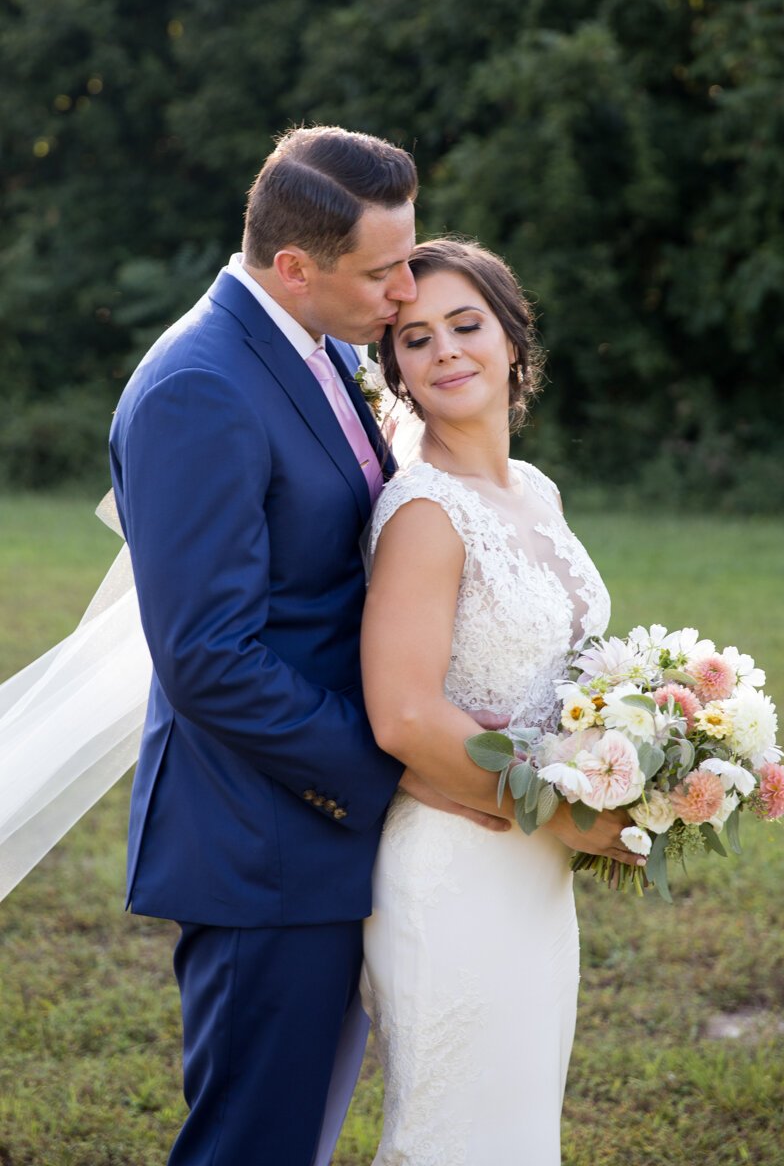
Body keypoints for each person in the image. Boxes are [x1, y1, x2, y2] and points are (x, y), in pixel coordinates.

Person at [107, 125, 440, 1166]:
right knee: (253, 1144)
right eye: (383, 272)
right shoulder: (198, 387)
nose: (407, 292)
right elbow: (207, 656)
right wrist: (386, 766)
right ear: (294, 267)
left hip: (307, 835)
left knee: (296, 1133)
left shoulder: (316, 347)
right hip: (260, 842)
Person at [354, 237, 643, 1164]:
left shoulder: (535, 490)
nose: (444, 350)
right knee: (455, 1139)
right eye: (416, 339)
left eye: (465, 325)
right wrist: (562, 810)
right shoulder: (425, 513)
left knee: (516, 1134)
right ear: (397, 371)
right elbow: (402, 715)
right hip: (456, 866)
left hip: (533, 874)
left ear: (513, 340)